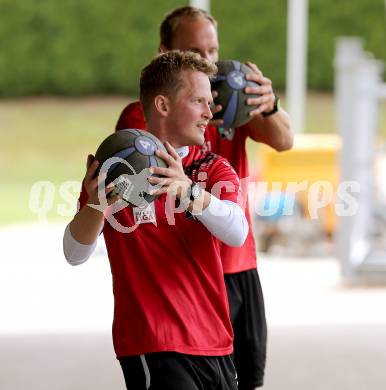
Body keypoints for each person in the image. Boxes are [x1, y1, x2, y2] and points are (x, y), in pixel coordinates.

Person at [115, 6, 294, 390]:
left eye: (212, 51)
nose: (207, 61)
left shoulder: (234, 109)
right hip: (183, 280)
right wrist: (193, 109)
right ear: (166, 53)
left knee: (246, 380)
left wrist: (268, 104)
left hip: (237, 261)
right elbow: (138, 182)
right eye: (195, 52)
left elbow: (284, 140)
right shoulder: (141, 117)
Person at [63, 50, 250, 390]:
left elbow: (237, 233)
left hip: (216, 343)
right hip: (154, 344)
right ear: (163, 106)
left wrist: (188, 191)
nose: (210, 113)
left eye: (210, 102)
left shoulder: (211, 168)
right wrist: (96, 206)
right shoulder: (117, 169)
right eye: (198, 101)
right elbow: (74, 255)